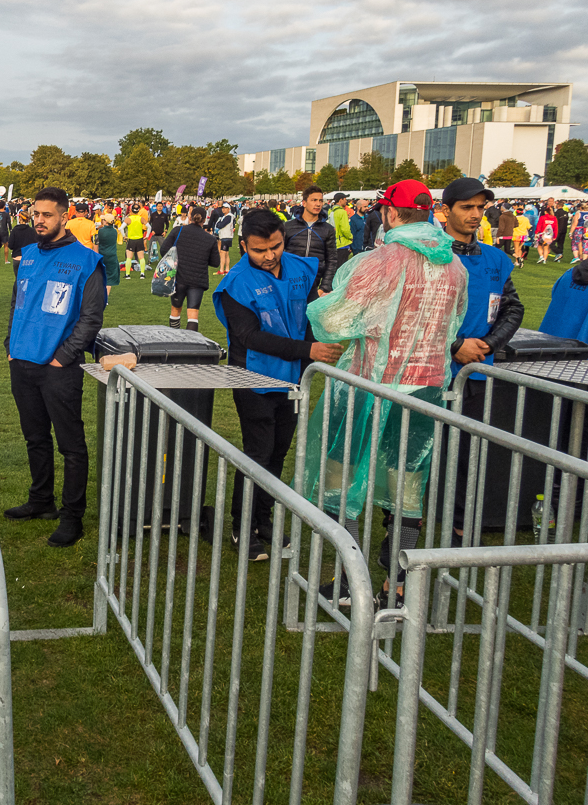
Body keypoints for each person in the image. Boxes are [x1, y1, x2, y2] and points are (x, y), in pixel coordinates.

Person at [304, 179, 468, 608]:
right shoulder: (455, 267)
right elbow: (454, 326)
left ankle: (348, 581)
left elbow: (335, 320)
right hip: (426, 389)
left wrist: (322, 302)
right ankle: (396, 584)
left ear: (390, 214)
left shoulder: (381, 260)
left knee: (343, 480)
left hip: (370, 386)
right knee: (407, 485)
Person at [213, 208, 340, 560]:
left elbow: (312, 316)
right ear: (243, 246)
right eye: (259, 250)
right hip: (252, 378)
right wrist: (308, 349)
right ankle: (242, 526)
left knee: (279, 453)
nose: (269, 256)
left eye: (276, 247)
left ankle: (263, 520)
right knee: (257, 453)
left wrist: (316, 341)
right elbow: (250, 337)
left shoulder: (302, 268)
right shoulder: (235, 284)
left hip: (293, 378)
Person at [2, 187, 106, 547]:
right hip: (22, 362)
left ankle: (71, 515)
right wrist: (10, 345)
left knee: (71, 445)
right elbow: (18, 300)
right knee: (35, 438)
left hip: (58, 368)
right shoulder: (27, 254)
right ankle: (41, 500)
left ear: (65, 216)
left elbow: (91, 318)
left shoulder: (87, 261)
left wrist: (64, 355)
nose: (39, 220)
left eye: (47, 214)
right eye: (36, 214)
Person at [437, 178, 523, 549]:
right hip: (431, 374)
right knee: (418, 463)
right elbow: (409, 314)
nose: (475, 215)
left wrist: (486, 344)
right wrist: (454, 344)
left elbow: (512, 307)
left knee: (467, 460)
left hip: (477, 376)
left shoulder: (495, 258)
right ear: (446, 211)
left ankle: (458, 534)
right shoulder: (429, 255)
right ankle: (400, 537)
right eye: (466, 207)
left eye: (480, 207)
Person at [162, 207, 219, 332]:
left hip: (178, 277)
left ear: (190, 217)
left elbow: (163, 250)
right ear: (204, 220)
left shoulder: (178, 231)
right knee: (193, 315)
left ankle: (175, 340)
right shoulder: (209, 238)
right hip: (197, 279)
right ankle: (191, 348)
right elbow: (216, 263)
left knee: (176, 310)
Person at [283, 185, 338, 293]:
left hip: (314, 285)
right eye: (314, 200)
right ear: (304, 203)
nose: (318, 204)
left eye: (320, 201)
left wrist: (324, 288)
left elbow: (331, 260)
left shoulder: (328, 229)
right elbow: (278, 253)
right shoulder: (288, 226)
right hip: (289, 283)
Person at [95, 210, 121, 296]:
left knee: (100, 275)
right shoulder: (114, 231)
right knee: (109, 278)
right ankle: (106, 297)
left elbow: (96, 242)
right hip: (112, 255)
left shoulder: (100, 231)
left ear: (105, 221)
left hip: (102, 254)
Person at [122, 204, 149, 278]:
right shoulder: (141, 218)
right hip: (140, 239)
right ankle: (142, 274)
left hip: (131, 240)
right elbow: (149, 227)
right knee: (141, 257)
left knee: (129, 258)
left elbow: (121, 228)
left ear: (131, 210)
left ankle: (127, 275)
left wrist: (124, 236)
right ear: (138, 210)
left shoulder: (128, 219)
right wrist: (146, 236)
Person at [330, 193, 353, 265]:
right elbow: (345, 229)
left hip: (333, 242)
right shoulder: (342, 212)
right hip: (342, 243)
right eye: (345, 199)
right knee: (342, 266)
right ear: (340, 200)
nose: (346, 201)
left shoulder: (331, 211)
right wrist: (351, 237)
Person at [214, 203, 235, 275]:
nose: (223, 209)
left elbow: (220, 225)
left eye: (225, 208)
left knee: (223, 253)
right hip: (226, 236)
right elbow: (218, 224)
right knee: (226, 253)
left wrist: (219, 224)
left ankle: (221, 269)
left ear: (229, 209)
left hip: (226, 236)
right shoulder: (225, 216)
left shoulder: (229, 216)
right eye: (223, 208)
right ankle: (227, 269)